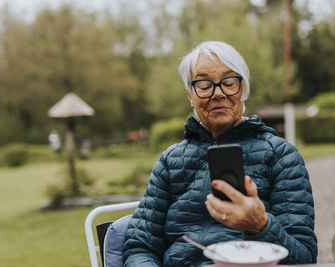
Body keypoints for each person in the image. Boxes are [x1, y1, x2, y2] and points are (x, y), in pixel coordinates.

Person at [123, 41, 317, 266]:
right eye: (204, 85)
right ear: (190, 95)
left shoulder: (281, 156)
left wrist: (261, 225)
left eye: (229, 82)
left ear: (243, 89)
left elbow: (304, 257)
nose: (218, 93)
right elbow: (140, 246)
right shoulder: (170, 161)